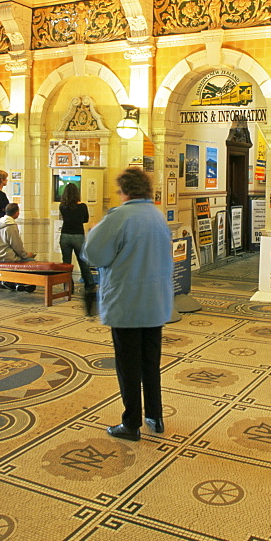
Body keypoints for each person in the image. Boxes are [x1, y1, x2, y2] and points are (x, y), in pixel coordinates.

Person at [83, 167, 173, 441]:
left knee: (128, 365)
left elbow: (92, 253)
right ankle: (155, 417)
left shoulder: (120, 216)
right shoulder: (157, 217)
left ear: (124, 190)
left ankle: (131, 423)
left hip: (126, 303)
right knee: (150, 362)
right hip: (155, 303)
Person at [0, 202, 37, 292]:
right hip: (2, 256)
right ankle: (20, 283)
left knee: (0, 262)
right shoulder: (11, 226)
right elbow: (17, 246)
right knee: (30, 262)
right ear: (16, 213)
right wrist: (26, 255)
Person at [59, 182, 96, 295]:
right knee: (83, 262)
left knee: (66, 263)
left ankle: (68, 287)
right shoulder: (82, 206)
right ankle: (89, 285)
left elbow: (62, 218)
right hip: (78, 236)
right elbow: (85, 220)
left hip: (65, 236)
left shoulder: (62, 206)